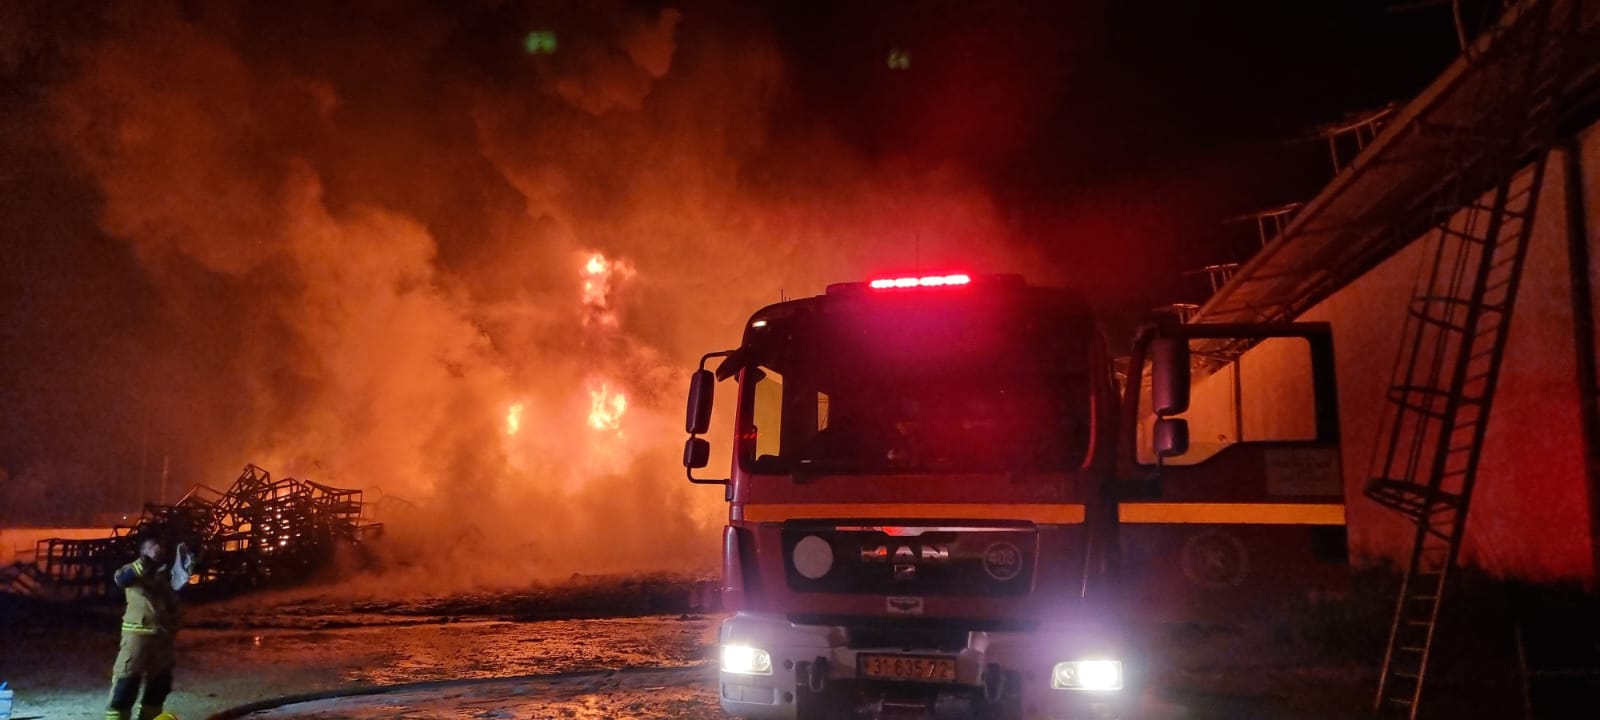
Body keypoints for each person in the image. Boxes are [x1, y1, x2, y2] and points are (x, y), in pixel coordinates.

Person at [106, 536, 192, 720]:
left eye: (159, 546)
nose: (158, 549)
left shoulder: (163, 577)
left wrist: (183, 570)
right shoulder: (131, 571)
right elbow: (121, 579)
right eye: (152, 547)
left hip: (163, 637)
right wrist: (144, 562)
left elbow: (175, 601)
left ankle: (149, 717)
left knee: (160, 683)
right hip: (137, 634)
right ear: (143, 552)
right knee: (126, 682)